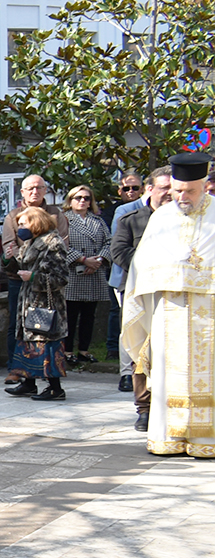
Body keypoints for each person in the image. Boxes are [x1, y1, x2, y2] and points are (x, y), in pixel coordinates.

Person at [122, 153, 215, 455]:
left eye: (189, 191)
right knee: (166, 373)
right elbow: (142, 265)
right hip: (169, 311)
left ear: (204, 186)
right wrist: (179, 269)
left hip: (209, 313)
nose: (181, 197)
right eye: (176, 191)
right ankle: (168, 439)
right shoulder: (161, 218)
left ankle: (207, 440)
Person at [111, 167, 173, 427]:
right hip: (140, 292)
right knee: (142, 349)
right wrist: (149, 269)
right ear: (151, 189)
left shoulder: (187, 219)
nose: (169, 193)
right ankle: (144, 407)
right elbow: (118, 251)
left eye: (173, 188)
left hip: (176, 296)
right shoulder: (132, 218)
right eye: (163, 188)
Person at [2, 175, 69, 382]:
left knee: (46, 342)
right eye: (19, 223)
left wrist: (33, 277)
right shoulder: (30, 240)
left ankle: (53, 385)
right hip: (26, 296)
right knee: (24, 338)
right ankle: (26, 379)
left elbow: (60, 275)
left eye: (24, 223)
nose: (20, 227)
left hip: (45, 299)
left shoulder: (51, 240)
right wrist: (8, 259)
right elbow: (15, 260)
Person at [60, 185, 112, 365]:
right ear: (70, 200)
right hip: (74, 273)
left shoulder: (98, 221)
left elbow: (109, 242)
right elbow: (60, 245)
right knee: (71, 314)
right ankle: (67, 351)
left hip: (94, 273)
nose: (82, 201)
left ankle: (84, 349)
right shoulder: (64, 220)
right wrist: (82, 259)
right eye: (78, 197)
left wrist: (99, 260)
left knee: (89, 315)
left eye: (86, 198)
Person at [105, 173, 145, 366]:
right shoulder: (123, 211)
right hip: (125, 275)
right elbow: (117, 244)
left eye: (135, 188)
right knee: (124, 318)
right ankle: (122, 362)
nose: (131, 192)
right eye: (126, 188)